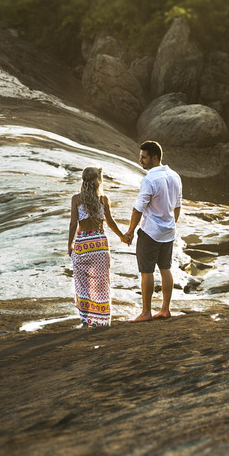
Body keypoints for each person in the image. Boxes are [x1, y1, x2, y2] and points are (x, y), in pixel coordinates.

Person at [124, 140, 182, 321]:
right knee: (166, 269)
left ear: (154, 158)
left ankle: (146, 312)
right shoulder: (175, 175)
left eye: (144, 157)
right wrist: (171, 224)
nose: (140, 160)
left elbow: (138, 208)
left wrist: (130, 231)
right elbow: (178, 206)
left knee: (146, 271)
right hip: (168, 232)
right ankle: (165, 309)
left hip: (150, 232)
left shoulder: (149, 179)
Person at [68, 166, 128, 327]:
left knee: (83, 283)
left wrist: (69, 244)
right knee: (102, 283)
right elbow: (110, 221)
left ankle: (87, 318)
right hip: (100, 245)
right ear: (98, 181)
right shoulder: (103, 199)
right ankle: (101, 320)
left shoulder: (76, 199)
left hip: (83, 244)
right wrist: (122, 236)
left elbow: (74, 224)